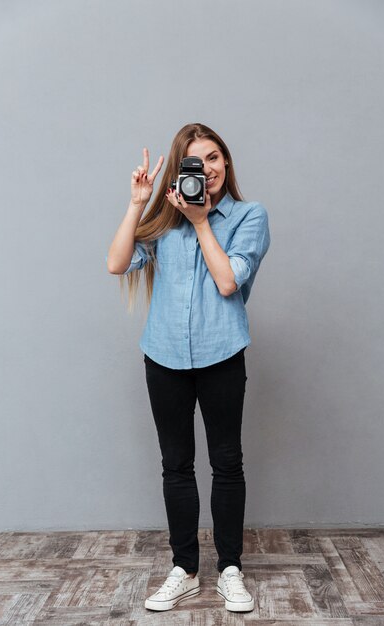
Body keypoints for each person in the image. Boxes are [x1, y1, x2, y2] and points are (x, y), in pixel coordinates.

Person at [106, 123, 271, 613]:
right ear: (181, 171)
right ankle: (183, 569)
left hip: (222, 354)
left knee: (226, 463)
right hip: (164, 357)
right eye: (197, 162)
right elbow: (116, 264)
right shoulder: (164, 221)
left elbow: (227, 283)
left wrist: (201, 222)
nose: (209, 169)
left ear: (227, 162)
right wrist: (139, 202)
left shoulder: (249, 216)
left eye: (216, 157)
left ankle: (229, 571)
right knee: (175, 466)